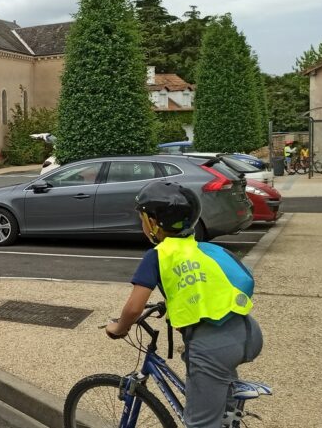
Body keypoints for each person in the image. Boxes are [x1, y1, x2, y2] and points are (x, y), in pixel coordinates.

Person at [105, 182, 262, 428]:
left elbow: (134, 308)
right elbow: (202, 284)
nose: (142, 224)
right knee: (221, 406)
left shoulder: (158, 254)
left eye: (143, 218)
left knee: (200, 423)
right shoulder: (204, 249)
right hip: (246, 333)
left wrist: (119, 328)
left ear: (154, 223)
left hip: (213, 348)